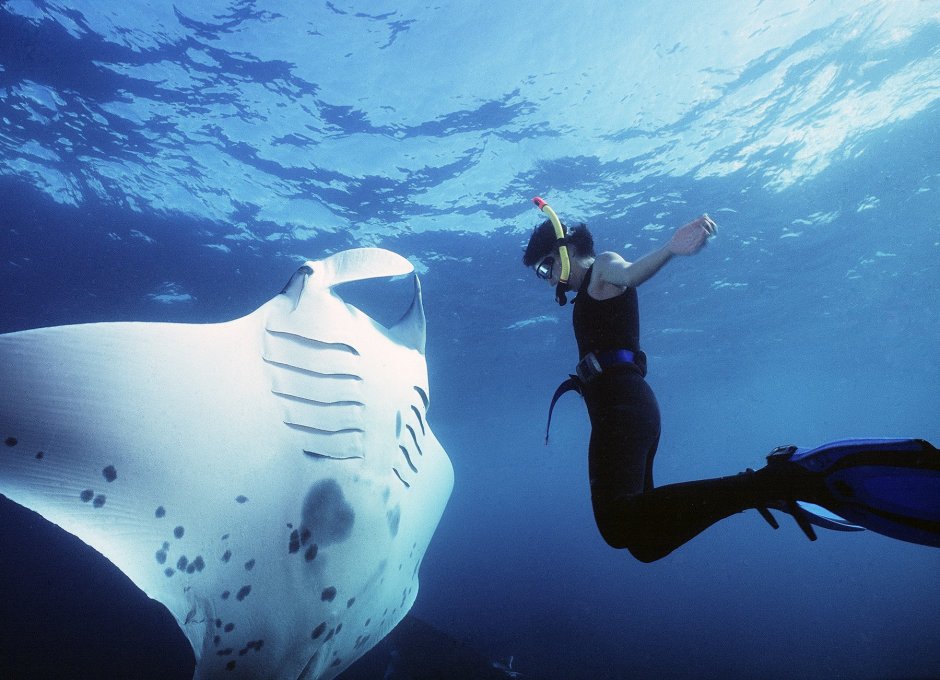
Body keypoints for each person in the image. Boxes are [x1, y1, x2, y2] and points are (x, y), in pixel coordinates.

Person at [522, 207, 940, 562]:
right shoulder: (588, 295)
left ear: (568, 249)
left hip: (623, 409)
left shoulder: (602, 270)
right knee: (643, 544)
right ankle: (765, 486)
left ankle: (774, 482)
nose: (545, 279)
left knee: (618, 526)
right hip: (625, 408)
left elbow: (629, 274)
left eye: (545, 267)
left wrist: (671, 248)